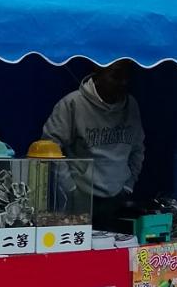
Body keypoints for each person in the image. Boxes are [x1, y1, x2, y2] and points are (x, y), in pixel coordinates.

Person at [41, 61, 145, 231]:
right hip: (81, 200)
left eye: (127, 76)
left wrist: (128, 185)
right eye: (116, 75)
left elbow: (138, 148)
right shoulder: (72, 104)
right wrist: (70, 189)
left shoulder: (131, 105)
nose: (123, 82)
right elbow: (49, 145)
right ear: (98, 72)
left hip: (117, 200)